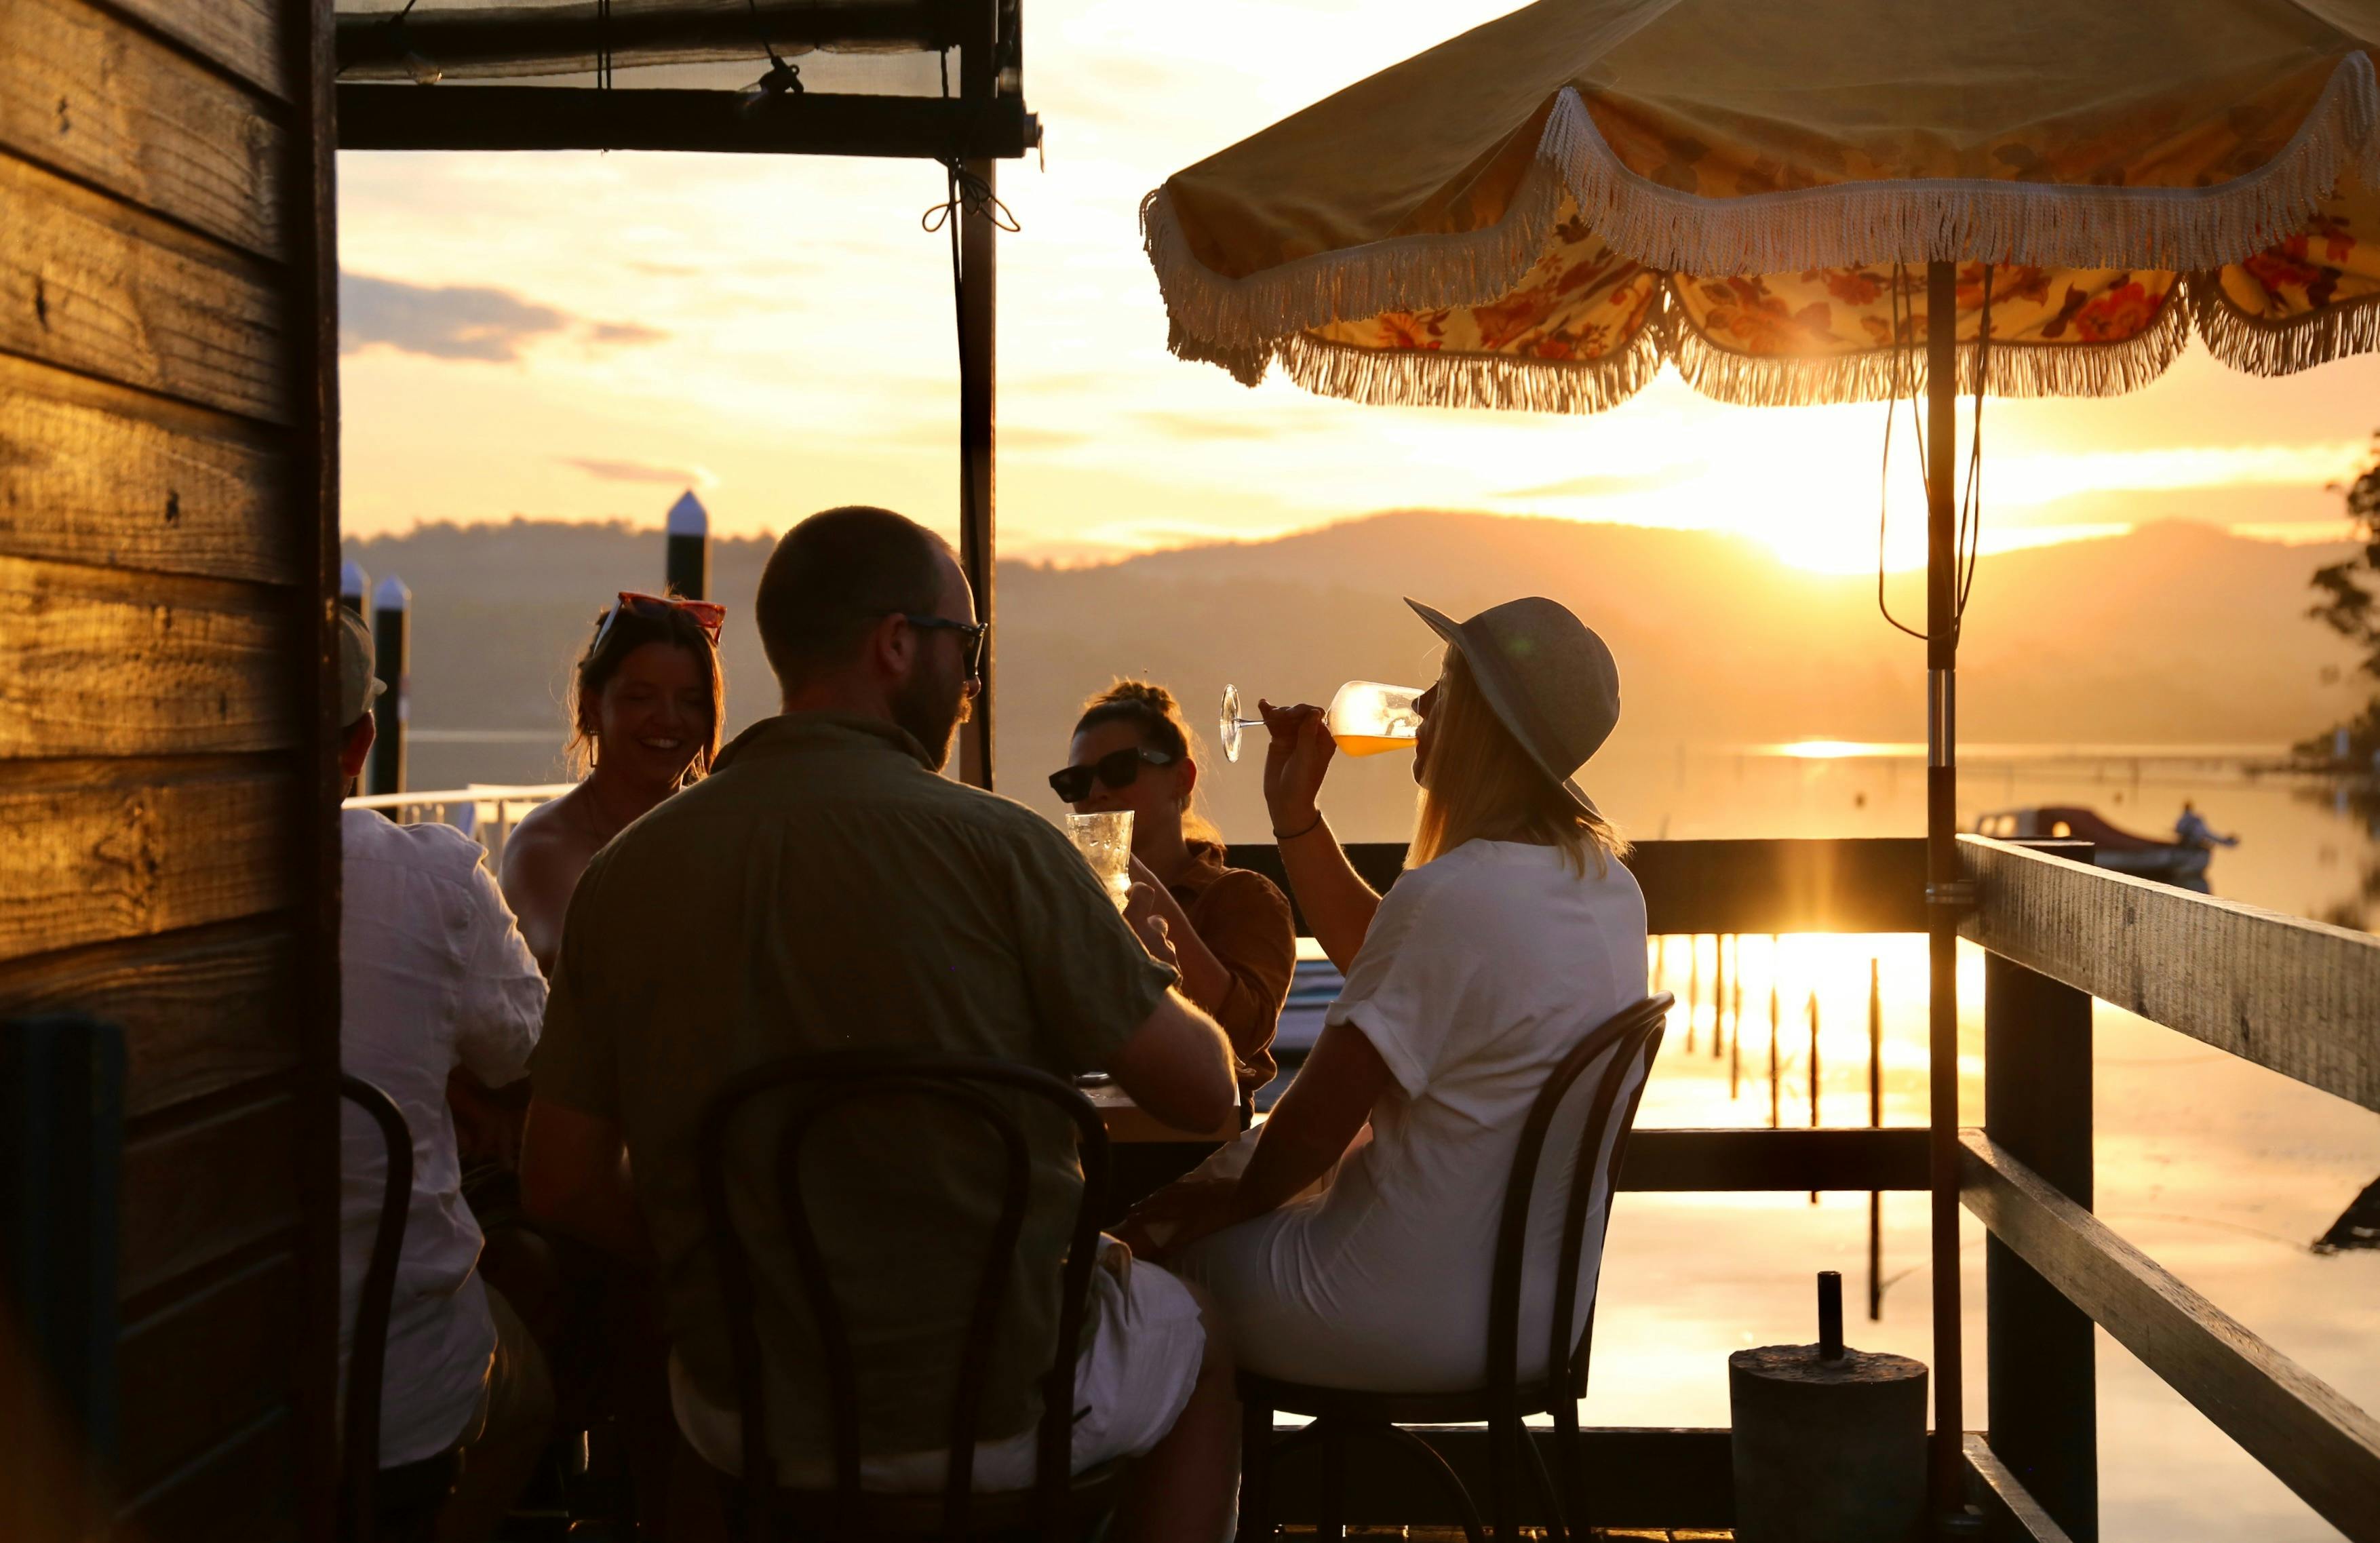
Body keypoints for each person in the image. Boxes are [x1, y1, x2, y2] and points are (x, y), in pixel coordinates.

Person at [518, 507, 1244, 1543]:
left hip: (754, 1410)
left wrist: (734, 1241)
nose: (971, 681)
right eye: (967, 647)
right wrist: (1137, 966)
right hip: (1001, 1404)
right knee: (1199, 1332)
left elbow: (560, 1180)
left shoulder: (625, 875)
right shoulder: (1007, 849)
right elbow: (1207, 1090)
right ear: (897, 643)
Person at [1123, 595, 1649, 1396]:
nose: (1423, 705)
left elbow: (1310, 1129)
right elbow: (1396, 962)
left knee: (1151, 1279)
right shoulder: (1608, 888)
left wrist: (1192, 1212)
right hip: (1534, 1319)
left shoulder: (1453, 894)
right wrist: (1295, 817)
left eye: (1447, 686)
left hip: (1393, 1312)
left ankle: (1188, 1482)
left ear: (1483, 723)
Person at [335, 610, 554, 1543]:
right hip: (391, 1381)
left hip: (187, 1367)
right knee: (533, 1394)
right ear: (361, 744)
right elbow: (524, 1048)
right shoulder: (432, 882)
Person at [1055, 680, 1297, 1102]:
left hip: (1194, 1128)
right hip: (1081, 1119)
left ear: (1182, 778)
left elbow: (1244, 1036)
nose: (1095, 793)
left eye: (1119, 769)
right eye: (1076, 781)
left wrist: (1123, 869)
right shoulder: (1061, 903)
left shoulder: (1242, 896)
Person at [500, 591, 726, 974]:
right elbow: (567, 965)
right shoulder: (544, 844)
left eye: (691, 701)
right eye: (641, 698)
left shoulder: (724, 831)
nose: (669, 719)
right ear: (593, 707)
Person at [2174, 800, 2240, 850]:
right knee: (2212, 837)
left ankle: (2227, 842)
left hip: (2197, 836)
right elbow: (2179, 829)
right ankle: (2227, 842)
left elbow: (2179, 828)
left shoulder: (2192, 818)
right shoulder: (2190, 818)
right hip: (2192, 838)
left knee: (2212, 837)